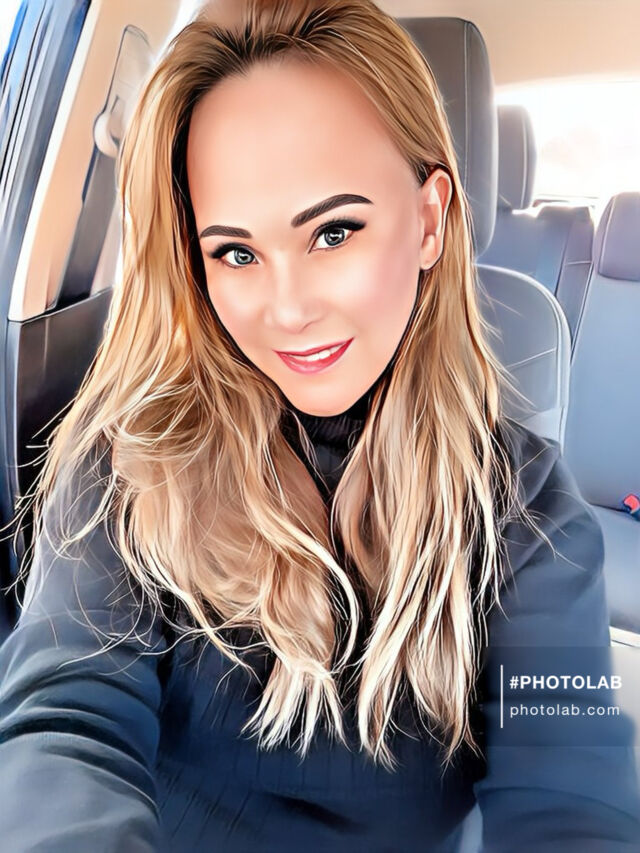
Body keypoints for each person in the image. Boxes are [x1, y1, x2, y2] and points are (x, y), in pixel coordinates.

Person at [0, 1, 639, 850]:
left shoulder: (526, 510)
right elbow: (65, 728)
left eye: (333, 232)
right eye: (236, 252)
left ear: (428, 220)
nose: (288, 309)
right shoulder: (130, 461)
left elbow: (571, 797)